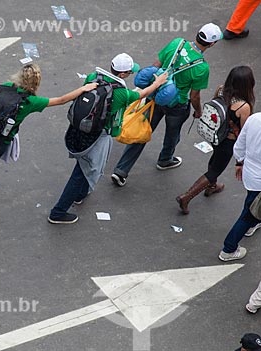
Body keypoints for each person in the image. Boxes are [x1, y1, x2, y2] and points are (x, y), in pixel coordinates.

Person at [0, 63, 98, 208]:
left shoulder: (6, 85)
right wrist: (83, 89)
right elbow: (61, 100)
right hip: (1, 138)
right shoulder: (30, 101)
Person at [48, 54, 168, 224]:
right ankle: (58, 212)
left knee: (84, 166)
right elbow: (143, 94)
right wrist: (157, 83)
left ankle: (80, 194)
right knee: (82, 171)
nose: (130, 74)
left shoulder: (93, 77)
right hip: (96, 136)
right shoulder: (121, 93)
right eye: (129, 72)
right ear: (122, 74)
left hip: (77, 128)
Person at [111, 23, 223, 187]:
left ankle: (121, 171)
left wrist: (150, 88)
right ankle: (165, 160)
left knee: (142, 130)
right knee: (172, 134)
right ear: (212, 43)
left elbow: (156, 65)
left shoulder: (177, 43)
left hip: (156, 94)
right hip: (177, 105)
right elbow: (194, 95)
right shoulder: (201, 68)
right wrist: (198, 111)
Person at [176, 66, 255, 214]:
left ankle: (212, 186)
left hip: (215, 135)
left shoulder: (221, 89)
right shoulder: (244, 106)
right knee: (216, 169)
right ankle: (186, 197)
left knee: (215, 159)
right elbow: (245, 130)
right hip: (229, 141)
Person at [218, 112, 261, 262]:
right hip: (258, 179)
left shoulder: (255, 118)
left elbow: (240, 144)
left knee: (252, 203)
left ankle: (253, 224)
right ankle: (228, 249)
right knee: (248, 213)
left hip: (250, 172)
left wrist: (239, 162)